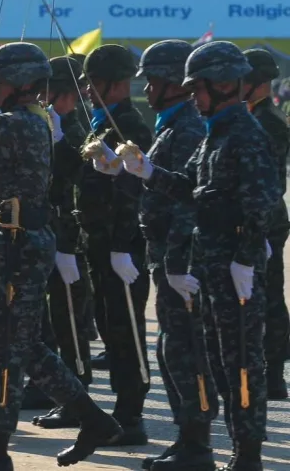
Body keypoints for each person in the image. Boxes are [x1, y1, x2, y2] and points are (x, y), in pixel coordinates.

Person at [0, 42, 121, 470]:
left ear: (18, 84)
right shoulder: (24, 121)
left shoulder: (20, 123)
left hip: (20, 244)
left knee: (6, 350)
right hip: (13, 240)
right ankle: (93, 420)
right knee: (22, 346)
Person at [117, 41, 281, 471]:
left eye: (199, 89)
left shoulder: (246, 136)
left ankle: (248, 457)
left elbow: (262, 203)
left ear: (223, 85)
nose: (194, 97)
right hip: (211, 265)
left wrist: (245, 258)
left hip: (234, 268)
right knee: (223, 365)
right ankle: (238, 452)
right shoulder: (215, 135)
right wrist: (148, 172)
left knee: (242, 365)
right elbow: (189, 188)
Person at [130, 40, 217, 470]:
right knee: (171, 349)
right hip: (165, 254)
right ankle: (186, 439)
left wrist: (179, 263)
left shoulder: (186, 129)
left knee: (187, 352)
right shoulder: (172, 126)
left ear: (173, 83)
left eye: (152, 81)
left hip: (179, 258)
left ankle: (197, 446)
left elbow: (188, 203)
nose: (147, 89)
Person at [74, 44, 154, 445]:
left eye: (94, 83)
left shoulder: (129, 127)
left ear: (116, 84)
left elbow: (130, 192)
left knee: (127, 334)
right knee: (110, 328)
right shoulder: (103, 124)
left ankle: (131, 417)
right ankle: (123, 412)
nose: (88, 91)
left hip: (121, 246)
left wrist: (123, 244)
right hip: (99, 243)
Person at [32, 55, 95, 430]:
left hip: (68, 235)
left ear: (66, 95)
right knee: (55, 318)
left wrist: (69, 246)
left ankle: (78, 394)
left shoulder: (77, 129)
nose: (43, 100)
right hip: (50, 229)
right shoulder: (52, 125)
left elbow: (77, 184)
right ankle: (60, 392)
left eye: (49, 93)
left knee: (71, 321)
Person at [243, 48, 290, 400]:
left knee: (270, 297)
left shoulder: (267, 121)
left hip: (268, 221)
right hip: (264, 219)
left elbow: (271, 183)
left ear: (257, 82)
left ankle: (274, 374)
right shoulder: (255, 115)